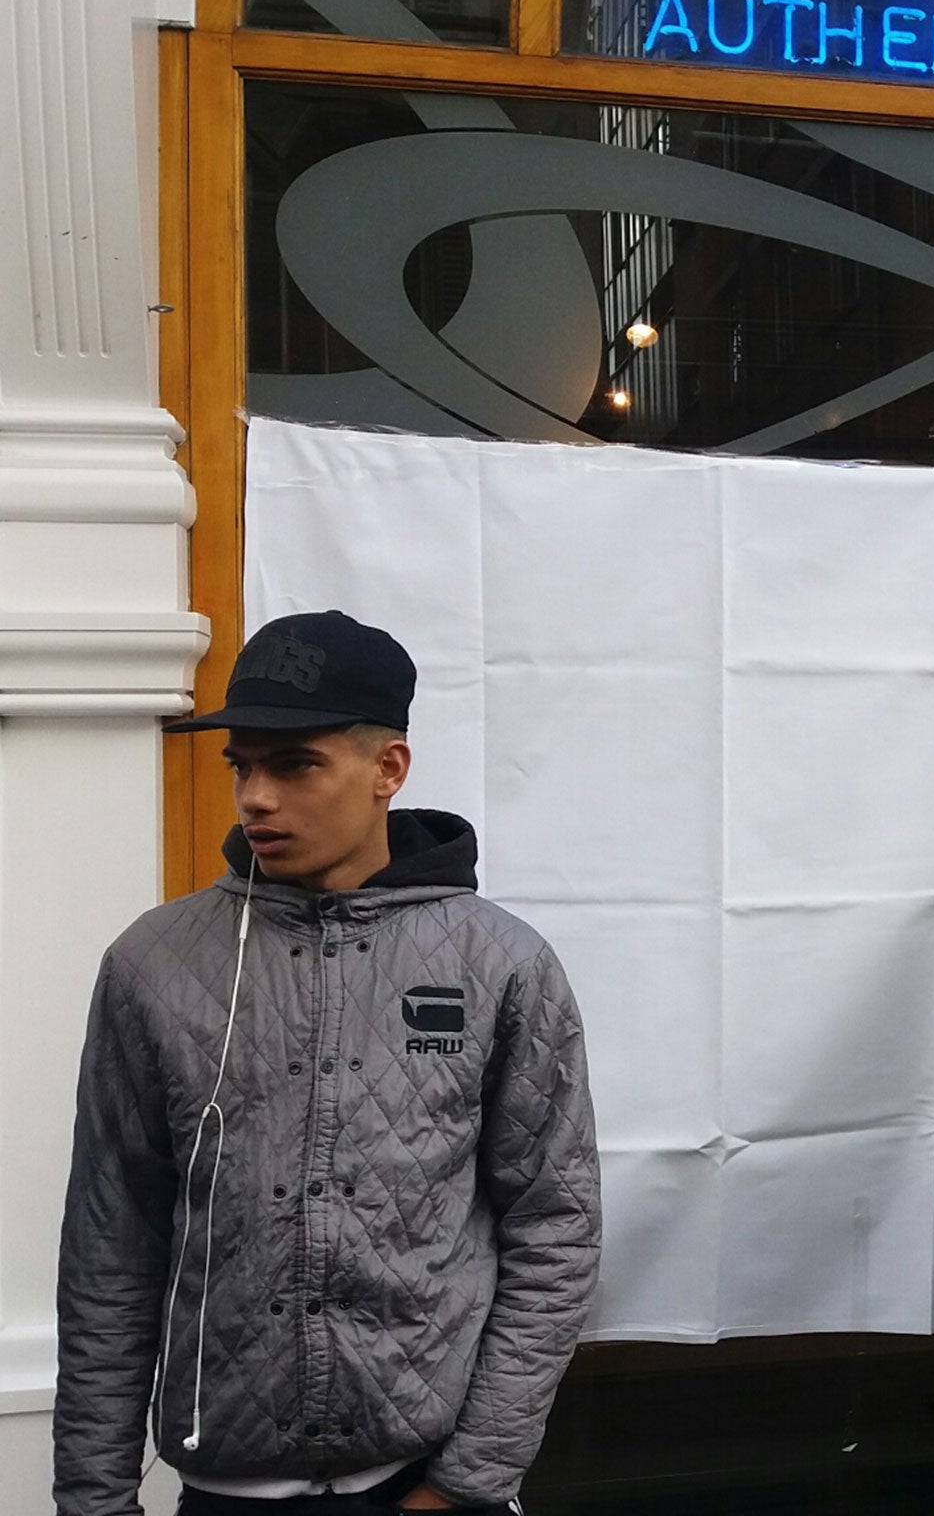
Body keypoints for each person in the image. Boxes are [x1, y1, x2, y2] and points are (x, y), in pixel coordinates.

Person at [54, 611, 602, 1516]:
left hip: (425, 1481)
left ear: (388, 769)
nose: (257, 797)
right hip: (225, 1487)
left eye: (295, 765)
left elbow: (555, 1232)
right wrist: (93, 1499)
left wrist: (469, 1484)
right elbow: (111, 1248)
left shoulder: (500, 963)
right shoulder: (154, 964)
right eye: (242, 767)